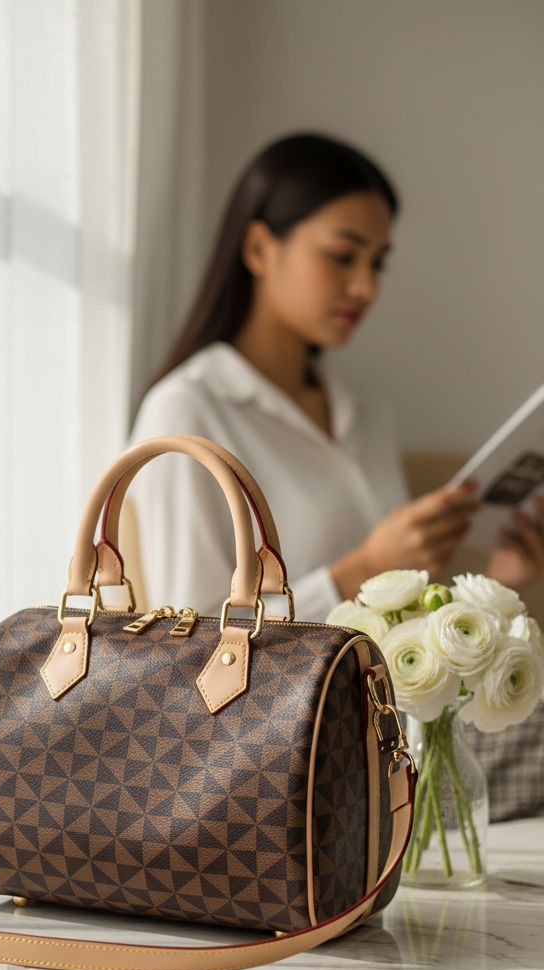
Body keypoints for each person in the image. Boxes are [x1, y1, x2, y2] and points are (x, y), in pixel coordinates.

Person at [125, 131, 544, 622]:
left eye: (378, 263)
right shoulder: (189, 409)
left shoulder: (366, 415)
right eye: (343, 256)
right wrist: (362, 569)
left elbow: (397, 634)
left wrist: (500, 582)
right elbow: (190, 640)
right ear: (260, 248)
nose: (366, 287)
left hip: (377, 698)